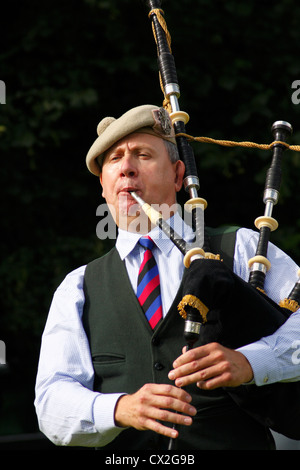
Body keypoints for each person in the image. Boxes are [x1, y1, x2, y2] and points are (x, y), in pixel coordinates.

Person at [34, 104, 300, 450]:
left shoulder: (240, 247)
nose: (126, 168)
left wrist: (253, 361)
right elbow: (51, 401)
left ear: (177, 175)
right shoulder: (79, 287)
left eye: (142, 155)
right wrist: (118, 408)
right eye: (114, 160)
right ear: (103, 186)